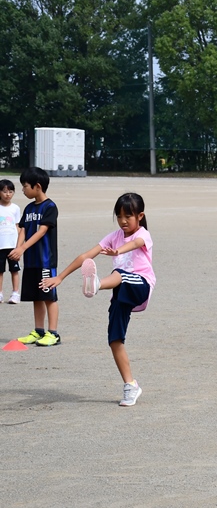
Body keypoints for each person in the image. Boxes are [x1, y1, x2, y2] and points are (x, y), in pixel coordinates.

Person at [40, 193, 155, 407]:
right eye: (119, 216)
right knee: (114, 339)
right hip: (121, 292)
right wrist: (60, 277)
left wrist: (118, 250)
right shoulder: (113, 236)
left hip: (140, 285)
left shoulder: (143, 234)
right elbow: (86, 256)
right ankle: (131, 385)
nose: (122, 221)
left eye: (127, 217)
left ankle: (97, 284)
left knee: (120, 273)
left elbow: (135, 243)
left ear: (140, 216)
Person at [13, 168, 60, 346]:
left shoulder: (50, 207)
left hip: (45, 261)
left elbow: (42, 231)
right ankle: (39, 331)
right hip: (31, 261)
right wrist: (18, 249)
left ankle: (53, 333)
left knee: (49, 296)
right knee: (36, 296)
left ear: (37, 186)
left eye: (25, 186)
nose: (23, 190)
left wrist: (23, 248)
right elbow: (23, 229)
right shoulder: (29, 208)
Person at [0, 179, 21, 304]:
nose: (8, 194)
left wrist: (19, 245)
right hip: (0, 245)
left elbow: (18, 226)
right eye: (4, 191)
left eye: (10, 191)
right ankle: (0, 293)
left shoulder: (15, 208)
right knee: (0, 270)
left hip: (12, 245)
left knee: (14, 270)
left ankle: (15, 293)